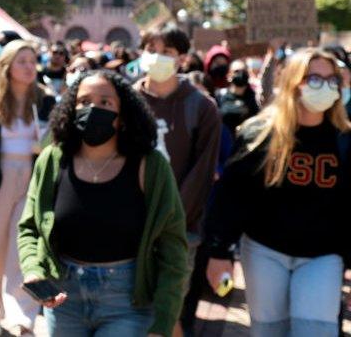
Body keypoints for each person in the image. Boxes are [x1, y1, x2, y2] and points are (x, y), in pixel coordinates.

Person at [18, 70, 189, 337]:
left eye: (105, 102)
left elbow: (173, 246)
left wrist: (164, 320)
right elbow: (29, 227)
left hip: (127, 300)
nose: (92, 109)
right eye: (84, 102)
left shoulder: (150, 166)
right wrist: (33, 269)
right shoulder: (52, 160)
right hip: (64, 298)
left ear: (123, 117)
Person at [206, 48, 351, 336]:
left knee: (314, 331)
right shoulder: (259, 134)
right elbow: (231, 197)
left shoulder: (345, 140)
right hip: (265, 250)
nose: (325, 87)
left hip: (323, 255)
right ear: (293, 83)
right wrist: (218, 251)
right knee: (269, 331)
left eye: (331, 80)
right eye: (314, 79)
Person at [135, 24, 221, 334]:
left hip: (179, 232)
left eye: (167, 52)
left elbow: (201, 175)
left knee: (165, 313)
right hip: (129, 226)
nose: (157, 57)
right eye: (151, 50)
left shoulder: (201, 108)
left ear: (182, 59)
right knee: (129, 312)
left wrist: (166, 219)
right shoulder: (126, 101)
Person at [0, 40, 56, 336]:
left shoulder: (45, 100)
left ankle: (25, 314)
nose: (30, 67)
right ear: (7, 66)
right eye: (22, 61)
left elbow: (58, 141)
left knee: (24, 249)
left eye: (33, 60)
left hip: (33, 179)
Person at [216, 59, 260, 140]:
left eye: (244, 71)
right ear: (229, 74)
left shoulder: (255, 97)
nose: (241, 74)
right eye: (237, 71)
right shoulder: (220, 96)